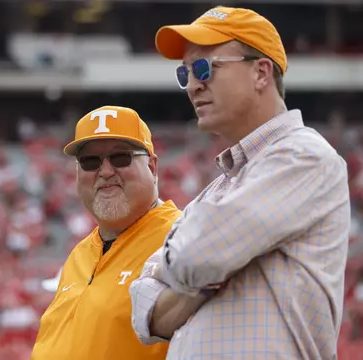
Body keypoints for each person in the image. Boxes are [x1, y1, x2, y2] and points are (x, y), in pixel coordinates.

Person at [130, 6, 351, 360]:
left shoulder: (306, 157)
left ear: (261, 72)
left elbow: (194, 257)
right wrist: (211, 270)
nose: (192, 85)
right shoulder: (217, 190)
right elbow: (144, 314)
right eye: (183, 73)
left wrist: (183, 267)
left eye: (204, 68)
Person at [31, 105, 203, 360]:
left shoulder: (183, 237)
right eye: (90, 162)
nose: (106, 171)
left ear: (153, 168)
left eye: (121, 157)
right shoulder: (81, 252)